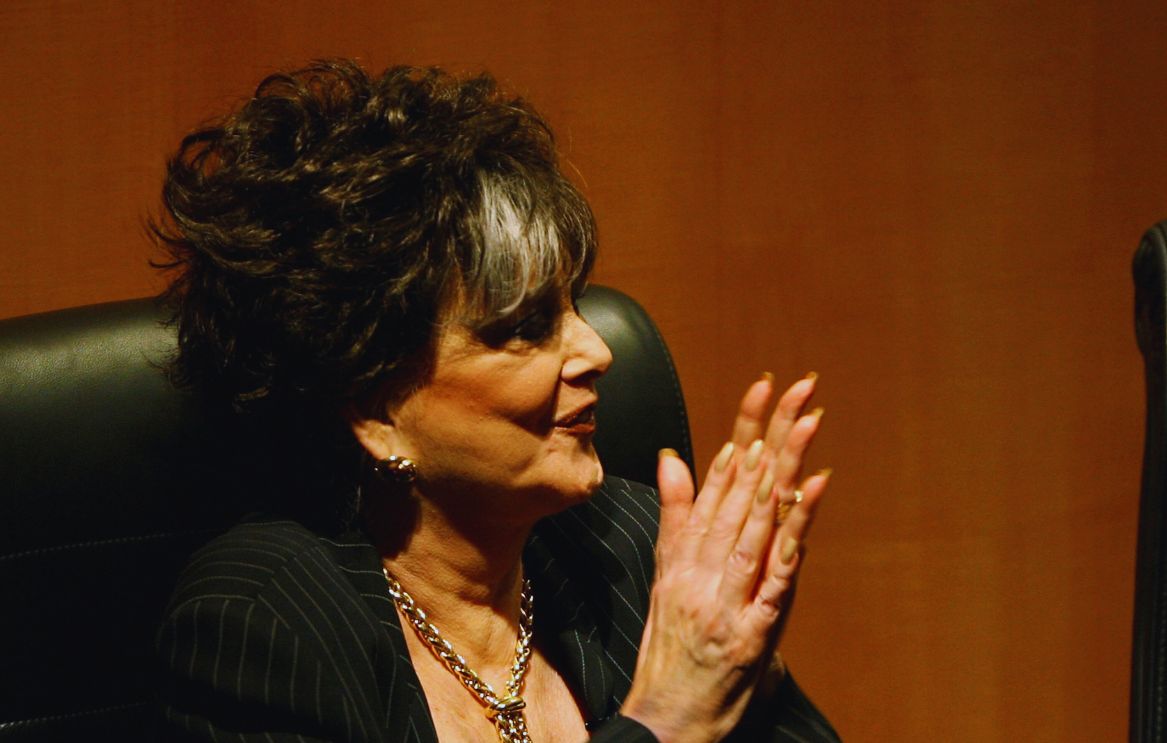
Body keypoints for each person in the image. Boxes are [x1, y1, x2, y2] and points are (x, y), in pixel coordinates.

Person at [151, 59, 839, 742]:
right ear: (377, 410)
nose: (597, 351)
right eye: (524, 327)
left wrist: (750, 673)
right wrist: (661, 724)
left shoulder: (632, 551)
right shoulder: (266, 622)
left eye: (575, 305)